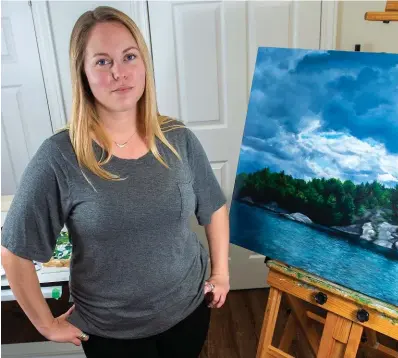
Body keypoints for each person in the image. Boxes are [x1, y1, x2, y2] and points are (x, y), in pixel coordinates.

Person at [0, 6, 230, 358]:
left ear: (143, 63)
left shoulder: (176, 137)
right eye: (103, 62)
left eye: (129, 56)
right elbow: (14, 250)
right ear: (84, 73)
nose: (120, 73)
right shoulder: (60, 156)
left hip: (188, 311)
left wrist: (223, 272)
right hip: (111, 334)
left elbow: (213, 206)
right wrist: (46, 324)